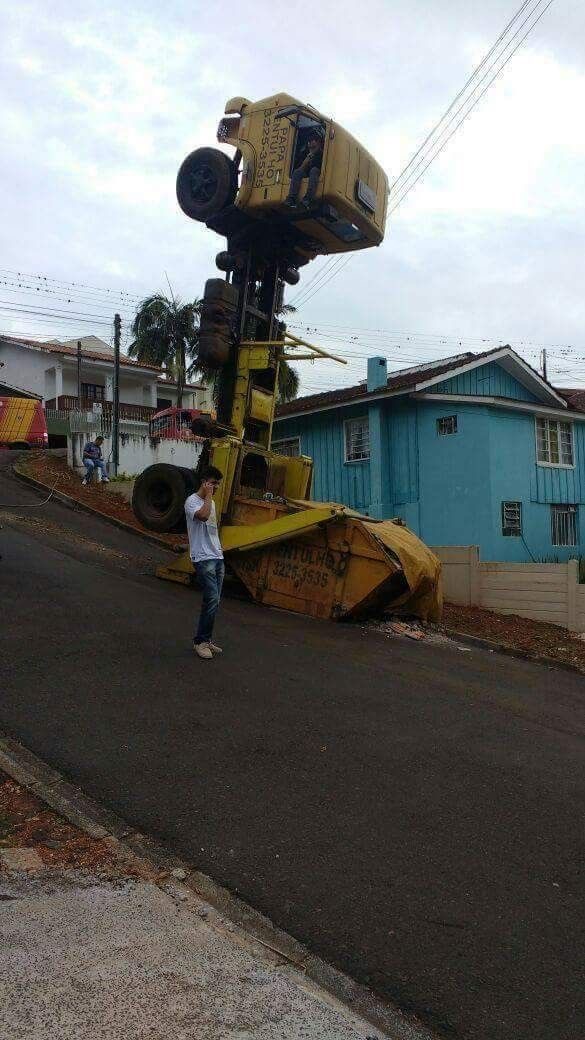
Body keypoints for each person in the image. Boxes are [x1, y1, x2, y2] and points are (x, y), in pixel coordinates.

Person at [185, 465, 225, 660]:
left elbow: (213, 528)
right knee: (211, 599)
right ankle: (200, 642)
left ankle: (206, 639)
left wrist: (219, 550)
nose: (216, 487)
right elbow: (202, 516)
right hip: (202, 557)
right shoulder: (191, 501)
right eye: (213, 483)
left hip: (217, 557)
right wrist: (208, 496)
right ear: (204, 482)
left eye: (218, 484)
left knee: (213, 602)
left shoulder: (213, 503)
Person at [285, 128, 324, 208]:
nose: (310, 143)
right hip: (307, 174)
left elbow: (318, 167)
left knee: (314, 170)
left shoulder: (323, 154)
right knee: (297, 172)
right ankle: (291, 198)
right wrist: (308, 157)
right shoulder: (304, 153)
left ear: (319, 142)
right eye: (309, 141)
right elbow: (300, 168)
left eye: (314, 140)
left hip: (317, 175)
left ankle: (308, 198)